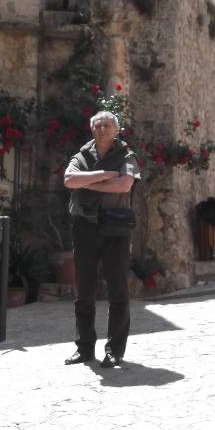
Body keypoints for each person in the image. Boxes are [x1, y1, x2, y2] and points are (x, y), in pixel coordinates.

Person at [62, 110, 141, 367]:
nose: (102, 129)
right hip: (84, 225)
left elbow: (124, 185)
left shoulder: (127, 156)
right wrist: (105, 174)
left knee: (117, 288)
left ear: (116, 130)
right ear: (92, 129)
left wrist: (87, 183)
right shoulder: (81, 155)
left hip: (115, 228)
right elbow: (69, 179)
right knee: (83, 289)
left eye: (107, 125)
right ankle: (84, 348)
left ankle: (114, 350)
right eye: (97, 125)